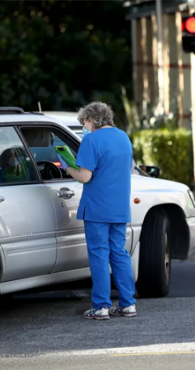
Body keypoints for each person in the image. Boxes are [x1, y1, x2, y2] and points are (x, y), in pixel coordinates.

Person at [58, 102, 137, 320]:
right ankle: (128, 304)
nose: (85, 126)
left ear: (92, 119)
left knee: (99, 255)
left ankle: (101, 306)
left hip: (97, 207)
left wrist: (67, 167)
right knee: (119, 253)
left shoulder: (91, 140)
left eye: (85, 122)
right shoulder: (123, 137)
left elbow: (85, 176)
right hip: (119, 206)